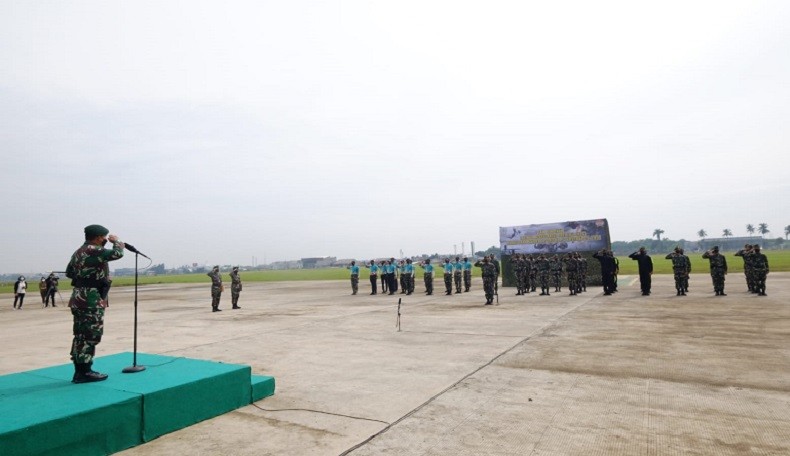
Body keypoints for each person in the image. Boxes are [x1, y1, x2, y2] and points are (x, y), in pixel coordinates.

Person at [65, 224, 125, 383]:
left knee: (80, 335)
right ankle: (84, 372)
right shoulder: (94, 250)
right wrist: (117, 241)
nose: (105, 239)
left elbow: (69, 272)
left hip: (79, 297)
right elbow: (118, 253)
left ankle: (81, 371)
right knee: (91, 335)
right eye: (104, 237)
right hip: (90, 299)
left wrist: (87, 275)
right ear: (98, 237)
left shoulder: (78, 252)